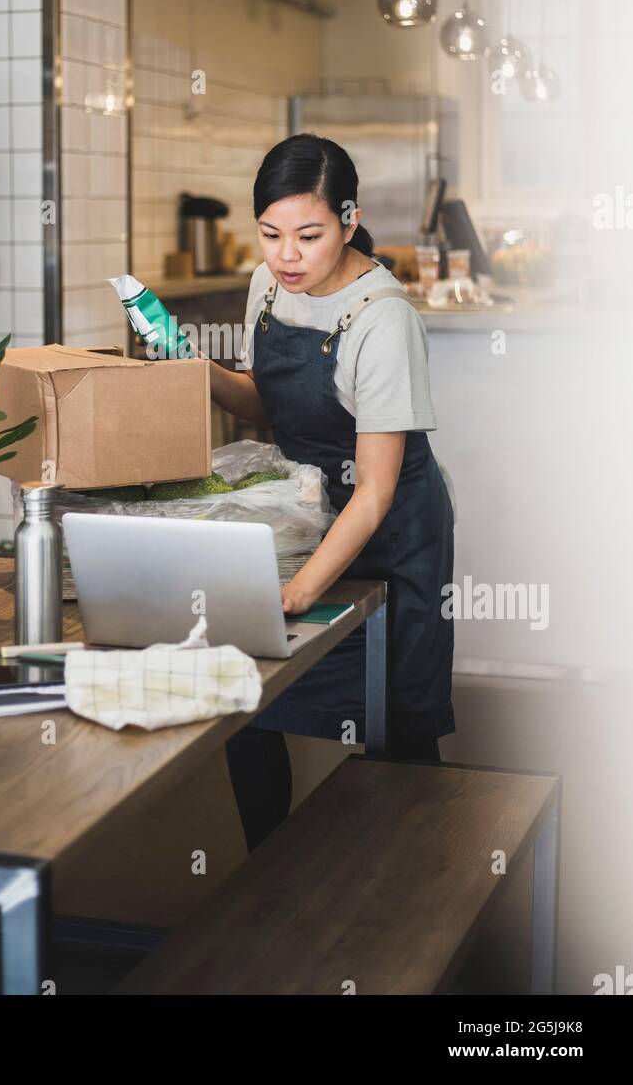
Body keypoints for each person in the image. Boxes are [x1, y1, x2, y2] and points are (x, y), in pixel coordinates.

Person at [208, 133, 456, 851]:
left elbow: (374, 493)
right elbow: (268, 404)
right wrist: (200, 374)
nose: (287, 256)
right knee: (248, 701)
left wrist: (295, 592)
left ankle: (422, 896)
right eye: (270, 234)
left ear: (349, 221)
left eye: (309, 235)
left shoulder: (383, 319)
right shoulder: (268, 287)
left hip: (392, 539)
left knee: (396, 725)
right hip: (310, 520)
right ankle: (268, 874)